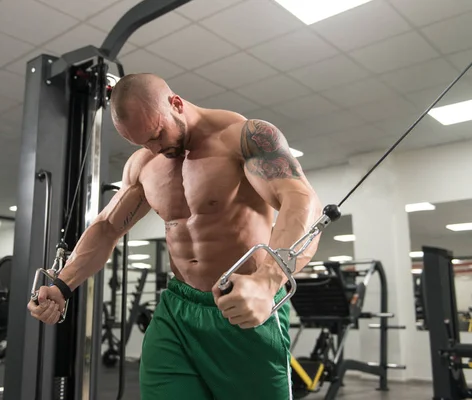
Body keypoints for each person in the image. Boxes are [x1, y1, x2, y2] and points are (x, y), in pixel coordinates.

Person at [28, 73, 322, 399]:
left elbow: (301, 200)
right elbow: (108, 226)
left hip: (241, 306)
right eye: (142, 143)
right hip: (178, 310)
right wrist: (62, 284)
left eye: (156, 135)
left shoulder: (243, 137)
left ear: (176, 104)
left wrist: (267, 282)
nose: (155, 148)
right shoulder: (144, 163)